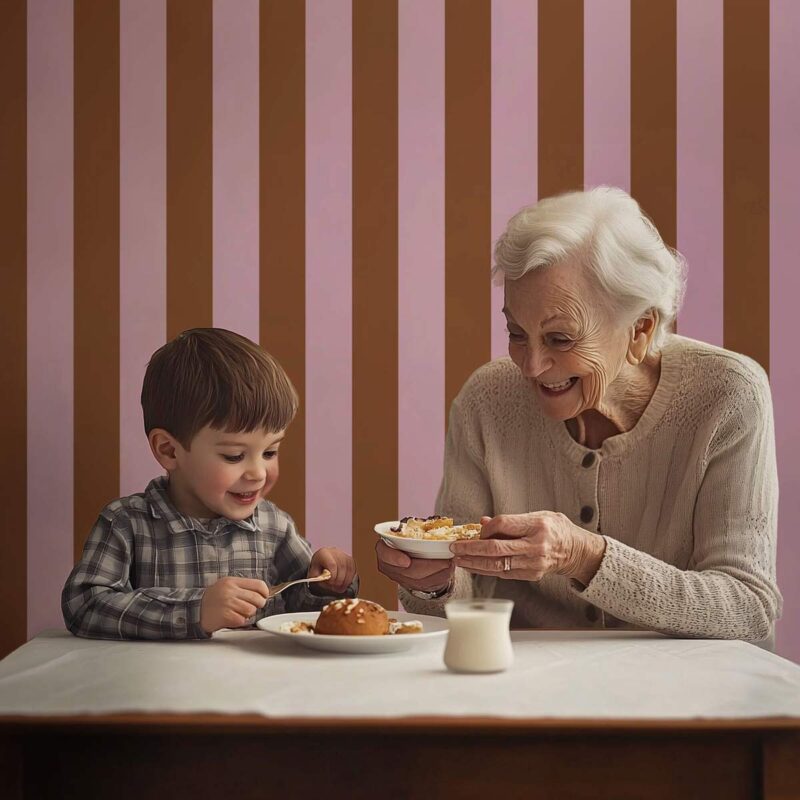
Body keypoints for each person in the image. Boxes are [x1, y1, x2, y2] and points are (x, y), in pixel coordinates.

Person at [377, 186, 782, 649]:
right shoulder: (487, 399)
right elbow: (465, 599)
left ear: (640, 331)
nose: (530, 366)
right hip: (527, 694)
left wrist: (583, 555)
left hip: (687, 701)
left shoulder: (727, 393)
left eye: (561, 339)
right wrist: (432, 580)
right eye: (516, 333)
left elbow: (746, 607)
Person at [63, 328, 358, 639]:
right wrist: (195, 611)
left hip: (261, 684)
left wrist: (325, 584)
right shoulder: (127, 524)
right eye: (234, 456)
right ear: (169, 450)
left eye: (270, 451)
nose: (258, 472)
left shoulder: (274, 526)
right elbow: (84, 605)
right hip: (158, 683)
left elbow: (304, 611)